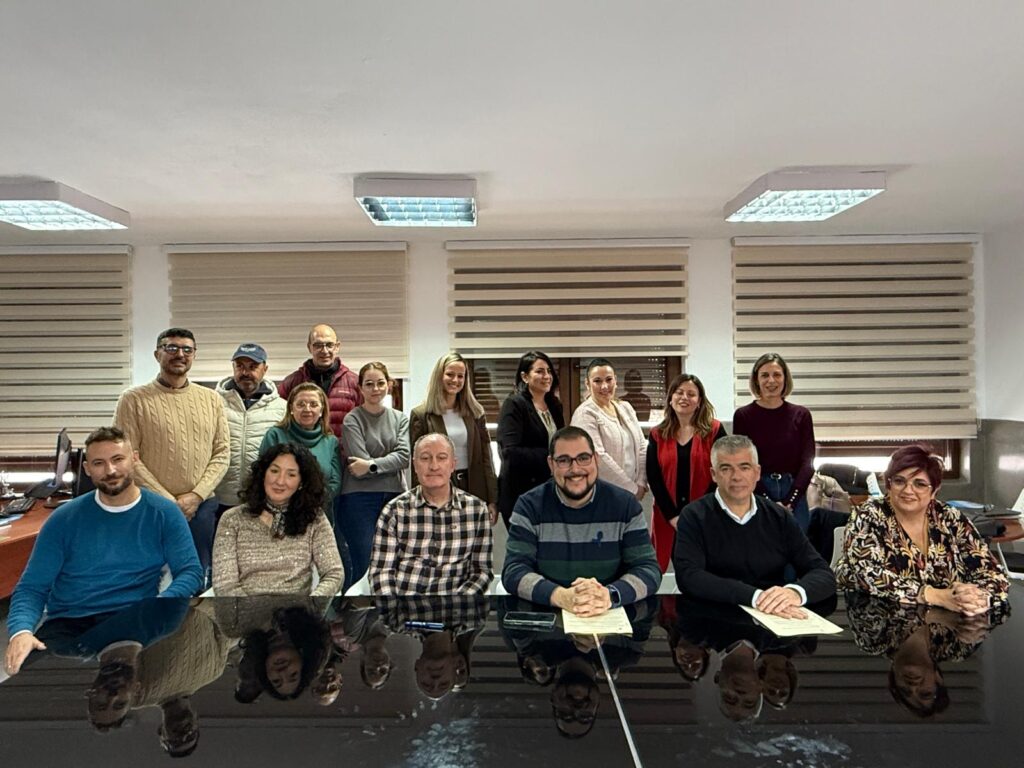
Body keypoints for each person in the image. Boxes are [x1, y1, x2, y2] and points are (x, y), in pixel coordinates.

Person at [4, 427, 203, 676]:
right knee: (31, 680)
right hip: (70, 623)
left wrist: (161, 603)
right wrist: (21, 632)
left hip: (135, 616)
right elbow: (32, 587)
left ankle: (96, 656)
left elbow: (190, 571)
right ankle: (99, 654)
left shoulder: (164, 513)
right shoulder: (63, 519)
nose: (110, 470)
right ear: (87, 469)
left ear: (135, 459)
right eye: (99, 463)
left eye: (118, 459)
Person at [502, 426, 661, 616]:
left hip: (609, 616)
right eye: (564, 460)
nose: (575, 469)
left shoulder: (625, 505)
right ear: (551, 464)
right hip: (548, 617)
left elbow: (648, 570)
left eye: (583, 458)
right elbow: (513, 571)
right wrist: (561, 596)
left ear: (596, 459)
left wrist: (608, 595)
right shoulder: (529, 506)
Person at [672, 435, 836, 615]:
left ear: (757, 473)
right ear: (714, 475)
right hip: (713, 619)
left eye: (744, 467)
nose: (736, 477)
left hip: (774, 618)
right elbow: (689, 577)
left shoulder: (779, 516)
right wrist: (755, 597)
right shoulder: (694, 516)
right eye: (726, 469)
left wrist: (795, 593)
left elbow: (823, 573)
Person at [113, 327, 229, 580]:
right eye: (172, 348)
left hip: (201, 508)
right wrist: (169, 502)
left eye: (187, 349)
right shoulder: (132, 400)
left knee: (197, 579)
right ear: (158, 354)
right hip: (149, 506)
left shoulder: (212, 399)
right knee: (149, 581)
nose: (180, 354)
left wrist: (196, 496)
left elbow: (222, 453)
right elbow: (127, 456)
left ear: (194, 355)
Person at [835, 445, 1008, 613]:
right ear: (888, 484)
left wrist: (978, 598)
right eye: (899, 481)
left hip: (948, 619)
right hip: (880, 616)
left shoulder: (950, 517)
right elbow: (865, 572)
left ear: (934, 490)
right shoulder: (869, 515)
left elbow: (991, 571)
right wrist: (934, 595)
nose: (908, 490)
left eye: (920, 484)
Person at [369, 433, 493, 596]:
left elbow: (481, 572)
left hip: (456, 606)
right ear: (414, 465)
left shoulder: (477, 510)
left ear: (453, 465)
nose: (434, 466)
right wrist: (394, 607)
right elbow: (381, 572)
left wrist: (457, 604)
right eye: (425, 458)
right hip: (404, 605)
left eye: (441, 458)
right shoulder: (394, 511)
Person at [212, 443, 344, 596]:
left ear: (301, 483)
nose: (280, 481)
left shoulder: (315, 518)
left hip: (298, 609)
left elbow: (334, 574)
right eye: (274, 471)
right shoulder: (232, 519)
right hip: (244, 609)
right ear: (263, 474)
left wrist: (312, 603)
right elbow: (225, 584)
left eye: (291, 475)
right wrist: (252, 609)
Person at [338, 361, 411, 582]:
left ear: (389, 385)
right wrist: (388, 463)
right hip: (359, 500)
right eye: (369, 384)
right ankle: (359, 605)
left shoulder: (400, 418)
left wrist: (371, 465)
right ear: (360, 388)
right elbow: (357, 465)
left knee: (395, 561)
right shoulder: (352, 419)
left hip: (395, 497)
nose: (375, 389)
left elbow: (404, 457)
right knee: (365, 562)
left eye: (380, 383)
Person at [646, 373, 727, 571]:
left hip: (705, 515)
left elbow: (721, 472)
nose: (684, 397)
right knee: (670, 569)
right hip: (667, 516)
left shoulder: (715, 430)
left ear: (699, 401)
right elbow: (654, 478)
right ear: (671, 398)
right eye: (679, 392)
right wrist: (673, 517)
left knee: (705, 569)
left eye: (691, 394)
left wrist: (697, 513)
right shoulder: (657, 434)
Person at [410, 352, 498, 524]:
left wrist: (492, 499)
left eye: (460, 376)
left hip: (474, 487)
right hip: (438, 487)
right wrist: (418, 500)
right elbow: (417, 464)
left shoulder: (475, 413)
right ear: (439, 376)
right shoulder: (421, 415)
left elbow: (486, 458)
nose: (455, 380)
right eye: (450, 374)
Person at [732, 352, 816, 531]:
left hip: (794, 492)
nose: (771, 381)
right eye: (765, 375)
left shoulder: (801, 415)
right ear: (756, 380)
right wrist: (768, 501)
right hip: (756, 490)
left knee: (796, 547)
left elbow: (808, 464)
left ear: (785, 379)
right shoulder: (743, 416)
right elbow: (742, 462)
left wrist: (790, 501)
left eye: (777, 375)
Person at [214, 343, 287, 512]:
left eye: (253, 367)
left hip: (263, 498)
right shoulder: (213, 402)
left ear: (265, 369)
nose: (245, 373)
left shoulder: (281, 408)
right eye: (240, 366)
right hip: (219, 497)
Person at [497, 350, 565, 527]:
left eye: (549, 371)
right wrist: (551, 457)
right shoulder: (514, 404)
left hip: (550, 489)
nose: (547, 376)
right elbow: (510, 452)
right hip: (521, 492)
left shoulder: (554, 405)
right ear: (525, 377)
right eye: (540, 371)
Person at [570, 358, 647, 499]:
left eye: (609, 379)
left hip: (633, 493)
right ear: (587, 384)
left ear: (615, 380)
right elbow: (598, 457)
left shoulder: (626, 407)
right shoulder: (585, 414)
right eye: (597, 381)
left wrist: (641, 482)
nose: (604, 386)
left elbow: (641, 446)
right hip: (603, 494)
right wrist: (631, 489)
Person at [260, 383, 342, 507]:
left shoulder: (330, 441)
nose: (307, 409)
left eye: (313, 404)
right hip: (279, 507)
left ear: (321, 410)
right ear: (291, 408)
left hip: (317, 508)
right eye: (300, 404)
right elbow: (263, 474)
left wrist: (312, 501)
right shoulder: (275, 435)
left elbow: (335, 482)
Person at [277, 323, 361, 441]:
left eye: (329, 345)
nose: (324, 351)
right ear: (309, 347)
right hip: (302, 450)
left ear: (337, 347)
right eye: (318, 345)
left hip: (342, 451)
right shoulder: (291, 383)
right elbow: (280, 420)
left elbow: (365, 423)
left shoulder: (355, 383)